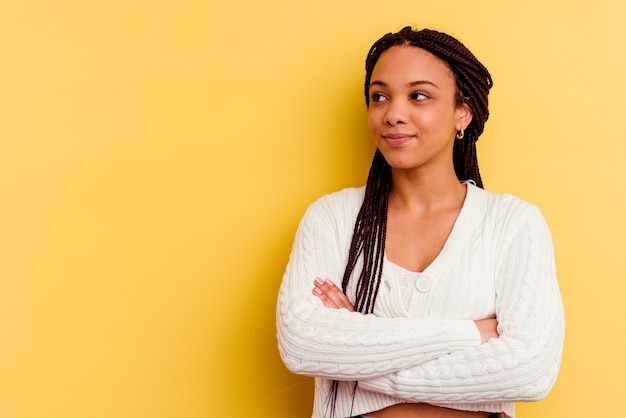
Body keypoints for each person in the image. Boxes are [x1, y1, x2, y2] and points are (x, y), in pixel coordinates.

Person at [276, 26, 564, 418]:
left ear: (462, 112)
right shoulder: (332, 219)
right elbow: (303, 345)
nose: (393, 114)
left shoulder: (512, 224)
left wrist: (356, 356)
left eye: (419, 96)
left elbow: (529, 370)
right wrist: (468, 333)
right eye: (380, 97)